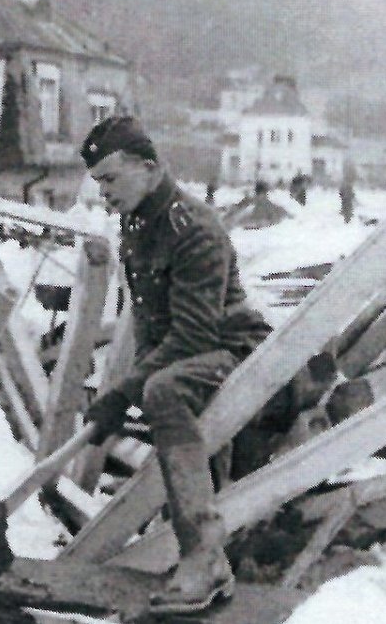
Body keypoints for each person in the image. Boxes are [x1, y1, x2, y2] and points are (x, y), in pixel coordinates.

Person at [79, 116, 271, 614]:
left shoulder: (193, 229)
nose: (104, 192)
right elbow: (151, 328)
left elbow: (192, 336)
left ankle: (205, 559)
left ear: (148, 167)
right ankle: (200, 553)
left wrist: (125, 392)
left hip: (235, 349)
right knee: (158, 387)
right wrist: (125, 393)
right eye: (98, 182)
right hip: (193, 355)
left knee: (162, 389)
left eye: (110, 178)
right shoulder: (138, 225)